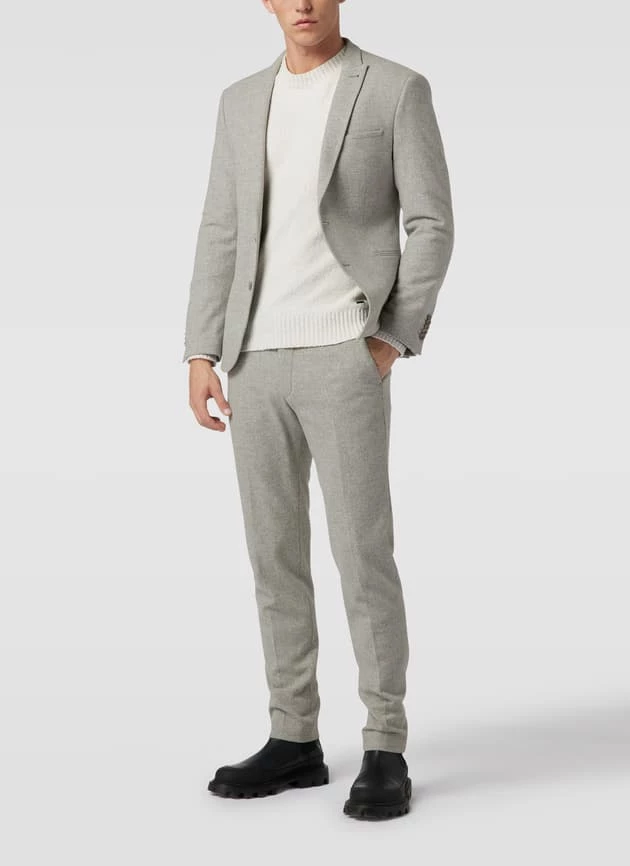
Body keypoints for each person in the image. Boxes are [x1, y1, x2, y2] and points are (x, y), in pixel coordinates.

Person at [182, 0, 454, 820]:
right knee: (273, 557)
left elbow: (431, 223)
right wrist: (201, 351)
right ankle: (293, 735)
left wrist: (391, 338)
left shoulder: (395, 89)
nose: (303, 3)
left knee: (362, 554)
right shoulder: (239, 100)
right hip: (252, 360)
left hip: (346, 353)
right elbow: (221, 227)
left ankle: (384, 744)